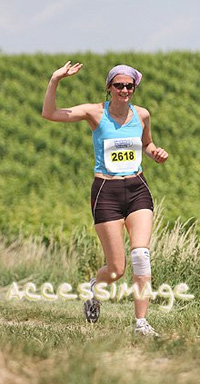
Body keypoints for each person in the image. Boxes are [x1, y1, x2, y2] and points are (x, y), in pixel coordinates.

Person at [42, 61, 168, 336]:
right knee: (116, 268)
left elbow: (147, 143)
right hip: (106, 192)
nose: (124, 90)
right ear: (109, 87)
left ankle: (141, 323)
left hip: (137, 189)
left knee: (141, 255)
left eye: (129, 86)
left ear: (134, 88)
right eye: (119, 85)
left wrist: (155, 152)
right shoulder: (94, 113)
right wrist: (55, 80)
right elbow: (49, 113)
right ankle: (93, 289)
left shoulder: (142, 115)